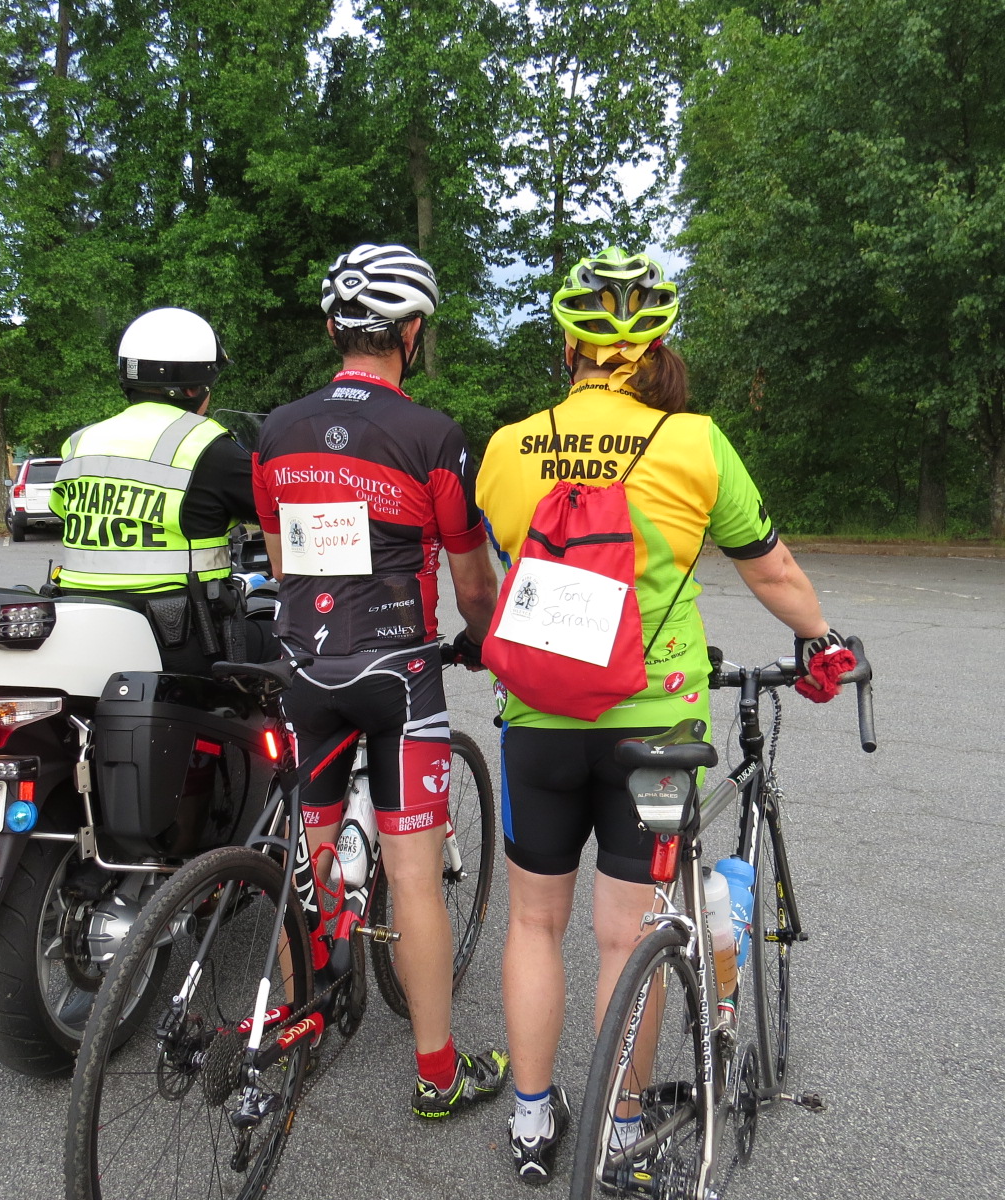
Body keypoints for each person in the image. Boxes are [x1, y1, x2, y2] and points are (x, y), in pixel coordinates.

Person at [475, 248, 845, 1184]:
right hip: (656, 726)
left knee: (533, 923)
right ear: (655, 347)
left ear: (568, 346)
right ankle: (621, 1125)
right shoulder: (694, 443)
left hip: (538, 721)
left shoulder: (508, 447)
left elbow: (504, 564)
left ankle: (531, 1120)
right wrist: (824, 642)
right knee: (627, 936)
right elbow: (773, 569)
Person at [251, 243, 509, 1118]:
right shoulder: (433, 436)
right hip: (397, 675)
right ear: (412, 332)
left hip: (303, 667)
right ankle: (437, 1076)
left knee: (309, 852)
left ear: (333, 328)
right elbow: (473, 581)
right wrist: (482, 641)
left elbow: (280, 557)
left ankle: (302, 1023)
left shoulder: (276, 431)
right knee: (413, 877)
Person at [50, 306, 271, 670]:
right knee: (291, 644)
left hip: (83, 632)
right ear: (193, 387)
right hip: (181, 639)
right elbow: (280, 509)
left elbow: (63, 510)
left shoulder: (80, 443)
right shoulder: (205, 445)